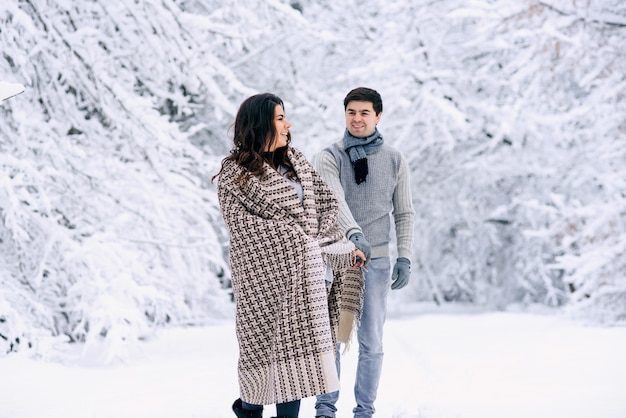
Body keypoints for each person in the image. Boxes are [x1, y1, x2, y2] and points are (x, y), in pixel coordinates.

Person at [212, 93, 366, 418]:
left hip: (308, 278)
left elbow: (325, 205)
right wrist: (301, 242)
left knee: (295, 369)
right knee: (261, 364)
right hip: (264, 283)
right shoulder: (234, 175)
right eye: (280, 118)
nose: (288, 124)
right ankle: (248, 411)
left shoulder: (296, 162)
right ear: (261, 125)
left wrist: (333, 246)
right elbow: (245, 228)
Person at [313, 87, 415, 418]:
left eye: (364, 113)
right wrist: (353, 235)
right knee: (336, 338)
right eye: (351, 112)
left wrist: (405, 257)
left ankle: (364, 412)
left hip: (379, 262)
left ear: (378, 116)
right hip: (341, 261)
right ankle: (326, 409)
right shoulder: (331, 156)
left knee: (371, 342)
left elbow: (404, 212)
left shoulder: (394, 159)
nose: (357, 119)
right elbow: (333, 200)